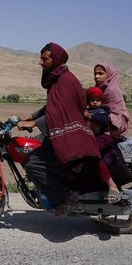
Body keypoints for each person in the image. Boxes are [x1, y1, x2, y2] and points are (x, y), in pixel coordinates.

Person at [18, 42, 106, 215]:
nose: (41, 63)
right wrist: (31, 116)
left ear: (55, 58)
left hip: (72, 137)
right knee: (36, 143)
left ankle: (65, 198)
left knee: (32, 163)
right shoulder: (58, 79)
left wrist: (34, 124)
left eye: (44, 59)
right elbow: (52, 107)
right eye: (41, 59)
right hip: (67, 133)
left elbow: (59, 111)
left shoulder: (65, 80)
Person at [84, 86, 121, 203]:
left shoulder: (102, 112)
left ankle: (112, 185)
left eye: (97, 100)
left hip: (102, 139)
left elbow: (103, 120)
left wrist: (90, 117)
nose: (95, 102)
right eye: (92, 99)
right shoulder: (86, 111)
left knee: (93, 155)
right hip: (91, 139)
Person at [92, 63, 130, 139]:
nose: (96, 76)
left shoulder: (112, 91)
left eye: (100, 74)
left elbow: (118, 117)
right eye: (95, 74)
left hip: (113, 128)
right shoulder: (98, 89)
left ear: (109, 75)